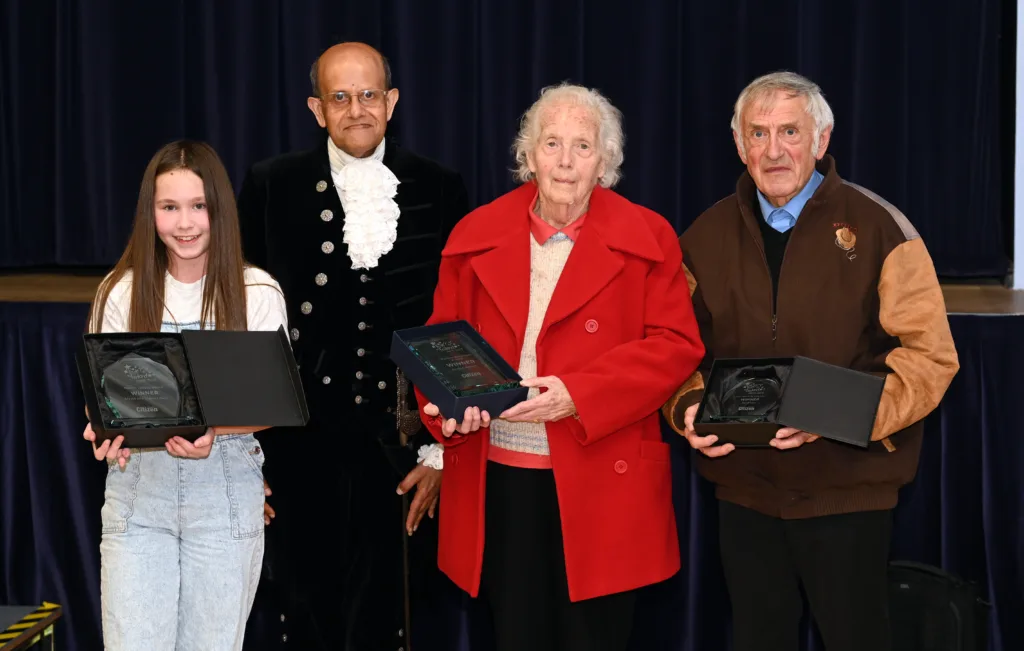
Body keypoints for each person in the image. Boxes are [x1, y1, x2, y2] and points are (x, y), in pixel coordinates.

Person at [663, 71, 960, 651]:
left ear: (821, 141)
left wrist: (831, 413)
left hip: (848, 488)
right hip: (744, 492)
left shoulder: (882, 229)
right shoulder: (703, 236)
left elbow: (930, 359)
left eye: (790, 131)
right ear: (739, 143)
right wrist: (688, 410)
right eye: (759, 132)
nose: (774, 150)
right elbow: (673, 348)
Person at [413, 82, 705, 651]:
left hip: (603, 475)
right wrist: (446, 411)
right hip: (501, 475)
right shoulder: (473, 235)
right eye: (551, 144)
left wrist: (579, 394)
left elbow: (675, 345)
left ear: (607, 162)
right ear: (528, 155)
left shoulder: (650, 238)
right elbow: (438, 349)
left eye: (583, 146)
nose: (566, 162)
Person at [236, 42, 470, 650]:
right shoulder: (271, 184)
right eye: (340, 97)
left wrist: (442, 454)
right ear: (317, 109)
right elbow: (241, 321)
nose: (356, 109)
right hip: (297, 446)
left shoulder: (439, 187)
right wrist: (246, 456)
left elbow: (459, 324)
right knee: (304, 615)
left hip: (401, 451)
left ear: (391, 102)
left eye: (369, 95)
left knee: (391, 620)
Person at [82, 140, 289, 650]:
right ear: (150, 212)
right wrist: (101, 427)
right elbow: (103, 396)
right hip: (137, 504)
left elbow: (266, 407)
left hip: (222, 504)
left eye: (198, 206)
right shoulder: (120, 291)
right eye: (169, 207)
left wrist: (212, 429)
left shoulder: (257, 293)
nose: (185, 223)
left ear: (220, 209)